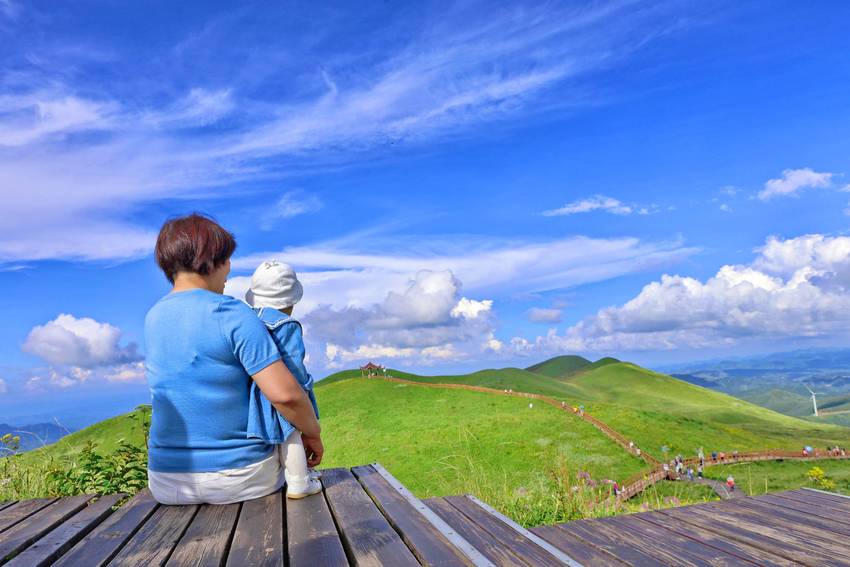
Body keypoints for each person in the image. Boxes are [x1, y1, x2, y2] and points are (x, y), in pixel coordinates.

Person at [145, 214, 322, 505]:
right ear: (211, 259)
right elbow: (285, 396)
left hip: (166, 482)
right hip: (240, 477)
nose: (228, 271)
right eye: (227, 259)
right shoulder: (233, 314)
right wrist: (313, 432)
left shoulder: (153, 317)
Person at [245, 260, 322, 499]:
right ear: (291, 300)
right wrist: (304, 391)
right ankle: (300, 481)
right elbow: (294, 365)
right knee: (291, 432)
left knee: (275, 436)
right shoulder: (287, 326)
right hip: (282, 388)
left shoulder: (247, 321)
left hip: (256, 391)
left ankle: (286, 476)